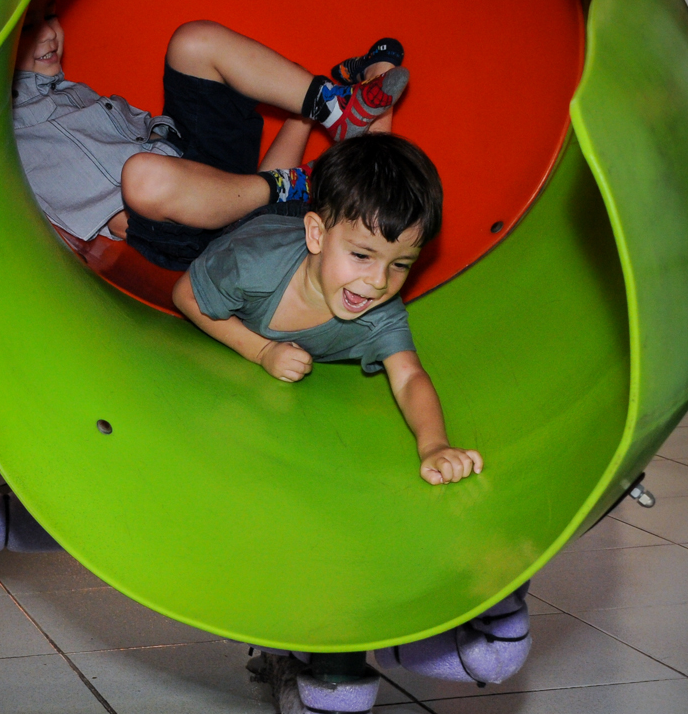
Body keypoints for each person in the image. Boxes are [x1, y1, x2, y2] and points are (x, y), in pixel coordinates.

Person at [12, 0, 409, 271]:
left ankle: (335, 109)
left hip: (199, 169)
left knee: (193, 41)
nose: (49, 33)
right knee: (144, 178)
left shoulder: (66, 92)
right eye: (29, 26)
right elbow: (118, 222)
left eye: (50, 15)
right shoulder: (8, 130)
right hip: (179, 231)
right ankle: (317, 183)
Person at [173, 135, 484, 486]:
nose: (379, 281)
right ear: (317, 236)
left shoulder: (378, 313)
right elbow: (186, 294)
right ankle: (302, 127)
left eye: (400, 264)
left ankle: (353, 130)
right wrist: (262, 351)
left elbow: (409, 376)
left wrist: (434, 445)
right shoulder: (253, 264)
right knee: (192, 223)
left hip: (323, 224)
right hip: (256, 224)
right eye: (363, 256)